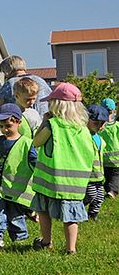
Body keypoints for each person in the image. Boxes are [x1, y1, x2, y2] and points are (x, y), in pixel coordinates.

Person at [30, 83, 93, 254]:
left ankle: (46, 241)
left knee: (43, 211)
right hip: (74, 183)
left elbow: (36, 142)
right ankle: (70, 248)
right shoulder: (83, 128)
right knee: (71, 217)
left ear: (56, 105)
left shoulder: (52, 125)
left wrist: (44, 122)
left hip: (50, 180)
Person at [0, 104, 35, 249]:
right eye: (1, 126)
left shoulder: (27, 144)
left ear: (19, 122)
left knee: (15, 215)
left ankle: (20, 239)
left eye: (8, 125)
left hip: (16, 189)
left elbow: (35, 164)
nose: (4, 129)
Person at [85, 105, 109, 221]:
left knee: (99, 197)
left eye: (102, 124)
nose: (100, 127)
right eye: (96, 123)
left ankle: (92, 215)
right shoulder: (85, 136)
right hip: (89, 175)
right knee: (90, 195)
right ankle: (78, 209)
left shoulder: (98, 138)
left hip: (99, 175)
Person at [98, 98, 119, 198]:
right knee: (115, 176)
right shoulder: (117, 126)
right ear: (114, 111)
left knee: (106, 175)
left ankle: (106, 189)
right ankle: (113, 191)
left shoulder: (101, 126)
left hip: (103, 157)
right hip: (116, 159)